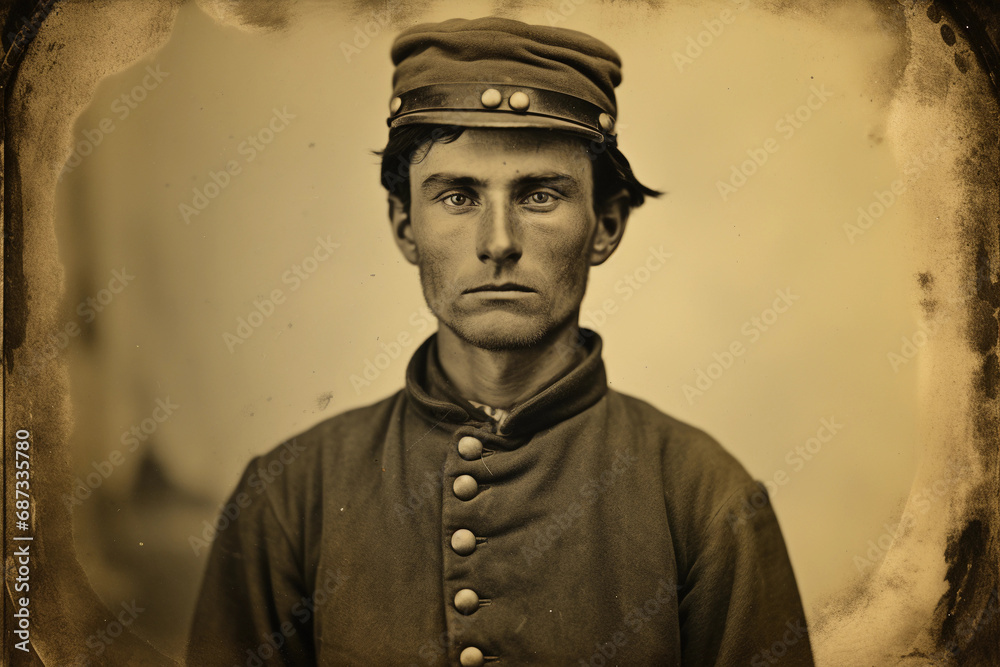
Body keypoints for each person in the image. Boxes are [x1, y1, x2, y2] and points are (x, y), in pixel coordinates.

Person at [187, 16, 814, 667]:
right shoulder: (291, 496)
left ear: (605, 225)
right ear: (405, 226)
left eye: (539, 195)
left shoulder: (706, 496)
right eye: (458, 196)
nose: (498, 242)